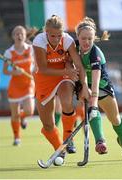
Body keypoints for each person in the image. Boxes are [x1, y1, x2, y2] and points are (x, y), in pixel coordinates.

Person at [74, 17, 122, 163]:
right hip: (84, 84)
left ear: (94, 38)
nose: (86, 42)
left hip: (101, 87)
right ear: (77, 37)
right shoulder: (74, 48)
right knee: (91, 113)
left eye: (90, 38)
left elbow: (95, 82)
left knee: (115, 119)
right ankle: (100, 142)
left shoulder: (95, 53)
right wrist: (81, 86)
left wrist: (94, 105)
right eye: (83, 38)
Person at [32, 15, 89, 165]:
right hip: (44, 78)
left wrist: (84, 86)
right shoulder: (39, 41)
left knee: (67, 101)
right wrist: (66, 72)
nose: (56, 39)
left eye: (59, 35)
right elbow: (43, 68)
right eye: (52, 36)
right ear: (46, 32)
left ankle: (68, 139)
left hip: (64, 76)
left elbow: (79, 65)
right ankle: (60, 149)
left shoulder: (67, 40)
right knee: (48, 125)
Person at [3, 25, 35, 146]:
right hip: (15, 86)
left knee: (29, 111)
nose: (19, 35)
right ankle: (17, 137)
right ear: (13, 36)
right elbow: (5, 71)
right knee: (14, 114)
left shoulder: (30, 49)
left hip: (28, 84)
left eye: (21, 33)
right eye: (17, 34)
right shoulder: (9, 52)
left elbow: (36, 65)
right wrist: (14, 72)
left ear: (25, 35)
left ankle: (23, 117)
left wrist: (33, 72)